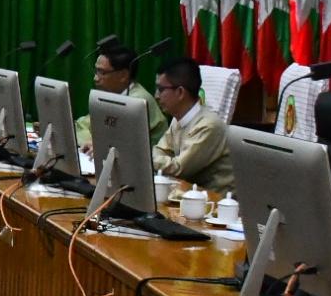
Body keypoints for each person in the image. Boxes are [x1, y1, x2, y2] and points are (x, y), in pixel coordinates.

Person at [151, 57, 235, 192]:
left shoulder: (208, 126)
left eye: (161, 89)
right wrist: (154, 158)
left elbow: (178, 168)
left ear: (180, 92)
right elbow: (161, 150)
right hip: (187, 193)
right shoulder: (178, 118)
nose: (156, 95)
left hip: (213, 201)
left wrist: (146, 159)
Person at [75, 43, 167, 149]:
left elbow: (122, 144)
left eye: (102, 72)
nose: (95, 78)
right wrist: (91, 142)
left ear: (123, 75)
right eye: (96, 71)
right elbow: (82, 125)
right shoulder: (112, 94)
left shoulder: (137, 102)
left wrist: (96, 144)